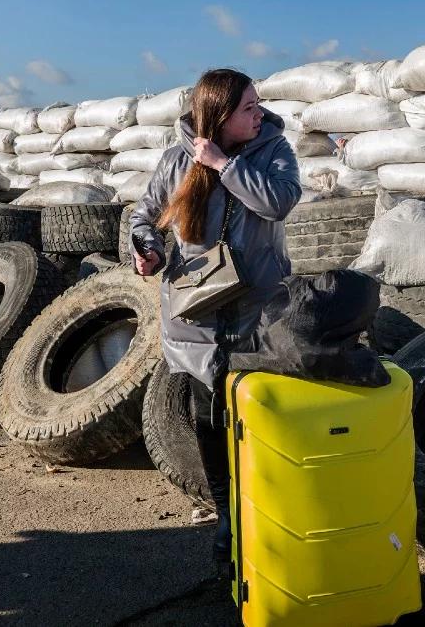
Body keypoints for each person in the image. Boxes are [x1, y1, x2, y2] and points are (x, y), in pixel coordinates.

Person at [129, 68, 301, 578]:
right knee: (209, 421)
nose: (259, 113)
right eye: (248, 107)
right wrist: (147, 249)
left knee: (263, 413)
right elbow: (145, 216)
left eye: (257, 105)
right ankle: (228, 521)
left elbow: (279, 202)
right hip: (197, 314)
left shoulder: (274, 150)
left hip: (259, 310)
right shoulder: (176, 158)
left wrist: (224, 165)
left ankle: (269, 516)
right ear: (219, 116)